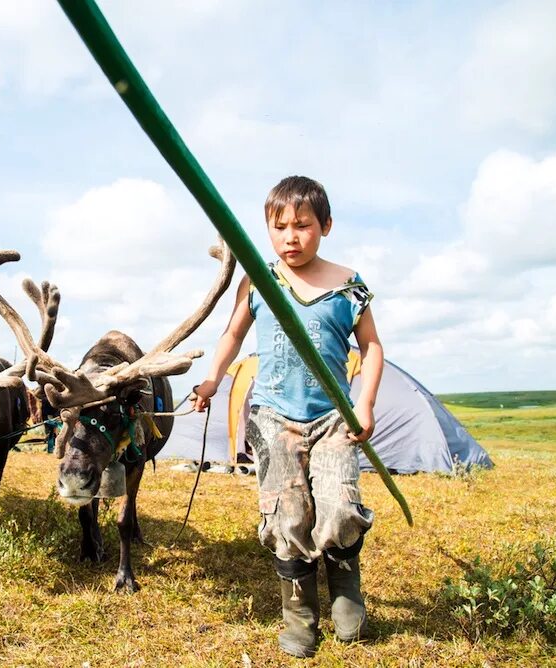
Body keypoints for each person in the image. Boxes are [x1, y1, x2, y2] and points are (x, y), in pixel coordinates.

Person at [191, 175, 383, 658]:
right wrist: (213, 378)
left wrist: (365, 404)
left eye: (302, 225)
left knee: (339, 507)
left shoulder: (349, 285)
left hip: (334, 417)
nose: (290, 237)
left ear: (327, 226)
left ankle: (346, 588)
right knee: (286, 514)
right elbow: (232, 336)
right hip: (275, 417)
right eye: (279, 227)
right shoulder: (258, 279)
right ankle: (298, 612)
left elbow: (372, 348)